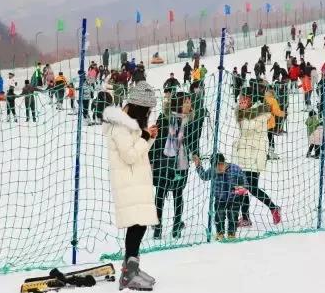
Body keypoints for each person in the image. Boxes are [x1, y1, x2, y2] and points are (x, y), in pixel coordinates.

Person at [103, 81, 159, 290]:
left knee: (140, 224)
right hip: (129, 182)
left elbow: (140, 149)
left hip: (137, 180)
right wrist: (145, 136)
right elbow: (129, 155)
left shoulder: (131, 124)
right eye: (147, 110)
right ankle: (128, 273)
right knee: (137, 225)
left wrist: (148, 137)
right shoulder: (121, 126)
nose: (148, 114)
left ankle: (132, 267)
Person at [234, 88, 281, 226]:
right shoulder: (243, 112)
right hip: (244, 155)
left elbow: (248, 128)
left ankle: (273, 208)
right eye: (241, 98)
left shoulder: (261, 113)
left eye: (245, 98)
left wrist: (241, 113)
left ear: (251, 99)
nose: (242, 101)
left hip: (255, 155)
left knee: (251, 187)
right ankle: (246, 218)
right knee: (241, 187)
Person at [150, 92, 194, 239]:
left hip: (181, 163)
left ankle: (176, 227)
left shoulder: (190, 120)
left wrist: (195, 153)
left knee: (178, 195)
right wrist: (150, 161)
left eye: (189, 101)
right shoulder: (164, 118)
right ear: (179, 104)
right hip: (163, 162)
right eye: (186, 102)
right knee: (160, 196)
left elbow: (193, 140)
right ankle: (157, 227)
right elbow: (156, 141)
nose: (189, 104)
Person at [194, 153, 246, 240]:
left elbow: (244, 181)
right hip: (220, 198)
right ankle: (220, 233)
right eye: (215, 167)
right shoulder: (213, 170)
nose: (218, 169)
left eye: (220, 166)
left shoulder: (235, 168)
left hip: (234, 198)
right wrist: (198, 166)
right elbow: (204, 176)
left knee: (233, 216)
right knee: (219, 216)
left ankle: (231, 234)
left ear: (223, 163)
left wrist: (240, 187)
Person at [265, 86, 285, 160]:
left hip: (261, 121)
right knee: (270, 137)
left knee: (264, 137)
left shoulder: (263, 99)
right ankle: (271, 153)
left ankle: (263, 153)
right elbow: (276, 111)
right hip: (269, 121)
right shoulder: (273, 100)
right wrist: (283, 113)